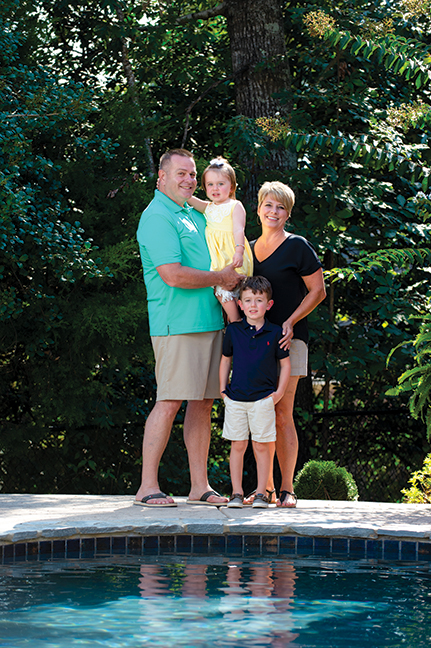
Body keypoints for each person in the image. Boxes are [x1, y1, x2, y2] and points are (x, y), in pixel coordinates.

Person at [135, 148, 242, 508]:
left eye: (193, 174)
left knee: (202, 404)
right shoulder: (157, 217)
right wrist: (221, 277)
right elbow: (173, 274)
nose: (189, 180)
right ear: (160, 177)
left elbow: (223, 217)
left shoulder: (190, 213)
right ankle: (147, 487)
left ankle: (199, 486)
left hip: (209, 322)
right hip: (176, 325)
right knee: (168, 402)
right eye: (180, 173)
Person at [250, 181, 326, 508]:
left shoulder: (298, 247)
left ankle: (286, 488)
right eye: (268, 205)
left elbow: (318, 291)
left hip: (289, 340)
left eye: (280, 207)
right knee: (259, 414)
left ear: (288, 214)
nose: (274, 212)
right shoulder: (247, 249)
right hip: (254, 345)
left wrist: (291, 321)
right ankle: (263, 488)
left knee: (282, 413)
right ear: (258, 209)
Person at [220, 276, 291, 509]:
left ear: (268, 305)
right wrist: (223, 391)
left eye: (259, 300)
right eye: (248, 300)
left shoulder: (276, 332)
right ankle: (237, 493)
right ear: (239, 304)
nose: (253, 305)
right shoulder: (233, 331)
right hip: (236, 398)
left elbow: (285, 364)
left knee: (262, 445)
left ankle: (262, 493)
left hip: (263, 399)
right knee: (238, 445)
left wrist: (279, 393)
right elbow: (225, 360)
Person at [187, 157, 253, 322]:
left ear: (231, 187)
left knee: (226, 288)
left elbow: (239, 229)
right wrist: (172, 190)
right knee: (222, 290)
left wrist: (239, 251)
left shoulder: (234, 205)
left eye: (220, 184)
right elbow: (190, 199)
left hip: (231, 254)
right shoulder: (208, 207)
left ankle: (236, 321)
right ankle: (234, 321)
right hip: (218, 258)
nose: (215, 188)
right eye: (210, 184)